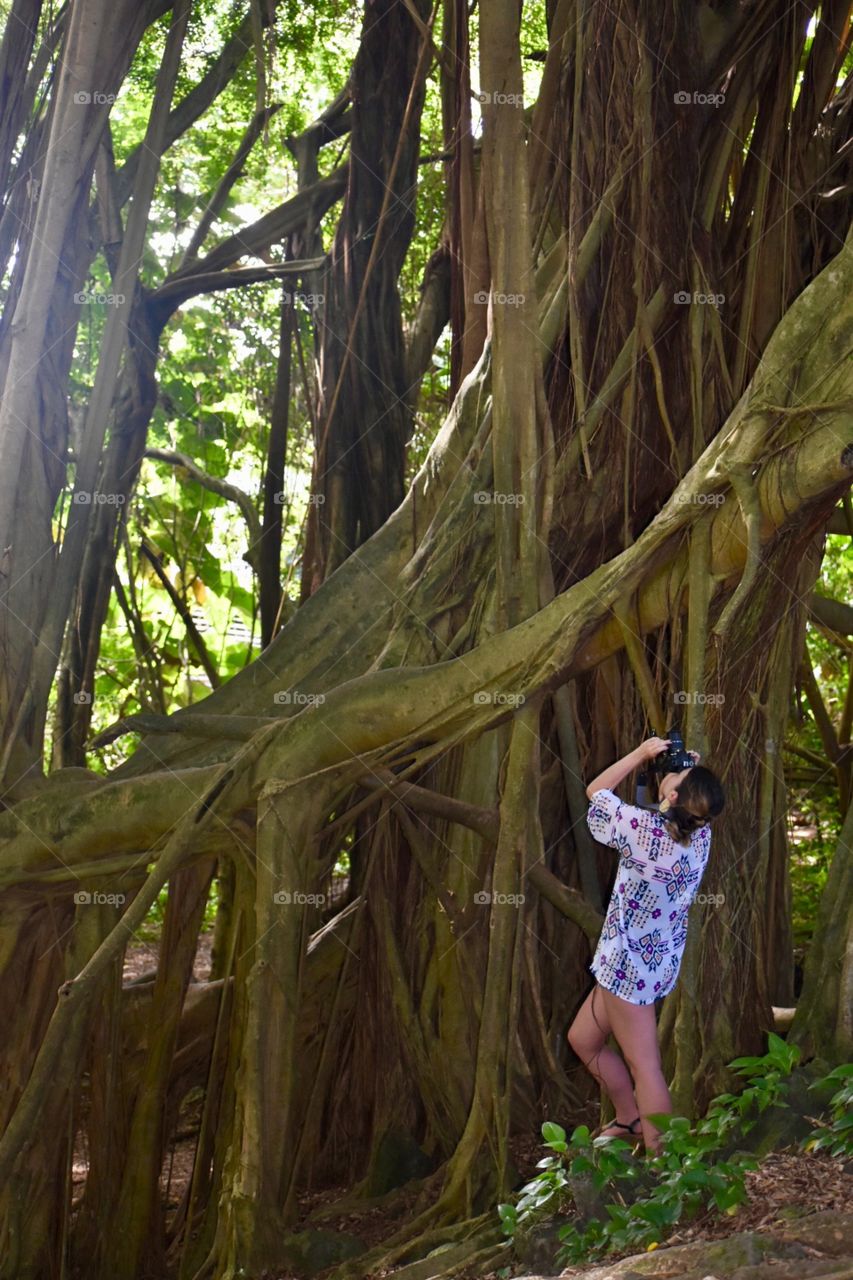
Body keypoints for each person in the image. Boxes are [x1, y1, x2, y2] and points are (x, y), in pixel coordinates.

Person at [566, 736, 725, 1155]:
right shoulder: (700, 834)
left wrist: (639, 755)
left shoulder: (642, 831)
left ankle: (664, 1165)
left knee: (648, 1069)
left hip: (627, 969)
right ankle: (629, 1119)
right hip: (651, 962)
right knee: (583, 1041)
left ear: (671, 795)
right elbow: (686, 806)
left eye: (676, 777)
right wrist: (683, 772)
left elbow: (596, 792)